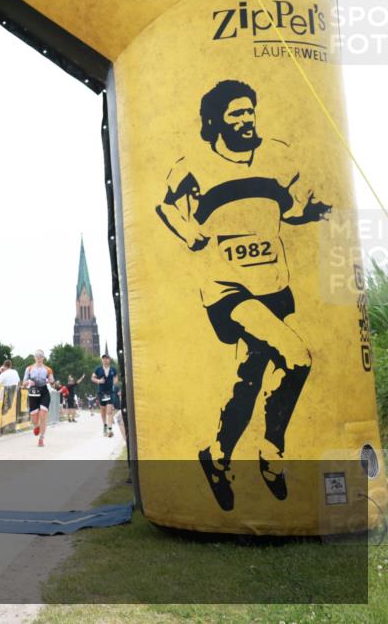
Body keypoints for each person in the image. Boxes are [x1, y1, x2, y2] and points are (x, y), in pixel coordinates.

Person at [155, 80, 329, 512]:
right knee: (298, 356)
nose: (246, 119)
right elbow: (167, 206)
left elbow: (288, 210)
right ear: (215, 121)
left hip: (274, 285)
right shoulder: (194, 164)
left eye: (250, 111)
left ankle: (215, 456)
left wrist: (313, 212)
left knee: (247, 382)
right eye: (236, 113)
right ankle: (272, 452)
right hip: (227, 289)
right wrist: (189, 232)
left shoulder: (277, 156)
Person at [23, 350, 55, 447]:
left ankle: (41, 438)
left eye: (40, 356)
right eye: (37, 356)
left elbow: (52, 381)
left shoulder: (48, 369)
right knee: (34, 419)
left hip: (44, 392)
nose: (39, 358)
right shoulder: (29, 369)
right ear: (34, 357)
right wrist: (29, 382)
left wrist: (51, 380)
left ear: (43, 358)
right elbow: (23, 383)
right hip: (33, 393)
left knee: (43, 414)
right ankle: (37, 426)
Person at [92, 354, 117, 437]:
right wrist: (98, 381)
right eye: (104, 359)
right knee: (103, 410)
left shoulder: (113, 369)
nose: (105, 360)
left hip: (110, 392)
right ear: (102, 360)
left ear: (109, 360)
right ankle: (105, 425)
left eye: (107, 358)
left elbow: (116, 378)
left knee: (109, 411)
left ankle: (110, 429)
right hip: (102, 392)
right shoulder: (98, 369)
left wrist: (115, 382)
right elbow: (92, 378)